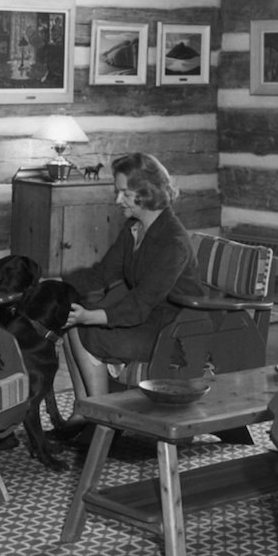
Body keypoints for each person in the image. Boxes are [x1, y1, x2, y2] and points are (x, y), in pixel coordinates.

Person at [62, 152, 204, 401]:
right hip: (148, 321)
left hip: (174, 334)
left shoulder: (173, 242)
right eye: (118, 192)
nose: (118, 200)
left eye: (125, 194)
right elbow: (101, 275)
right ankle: (84, 410)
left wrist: (91, 316)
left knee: (87, 329)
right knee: (73, 325)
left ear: (147, 192)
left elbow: (140, 304)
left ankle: (101, 416)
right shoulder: (133, 229)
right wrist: (54, 284)